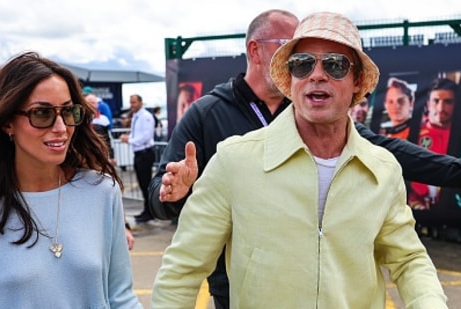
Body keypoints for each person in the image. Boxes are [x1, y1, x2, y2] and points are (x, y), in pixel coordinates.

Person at [148, 9, 461, 309]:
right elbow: (182, 271)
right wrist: (171, 193)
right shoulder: (232, 159)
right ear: (290, 76)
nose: (317, 75)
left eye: (336, 65)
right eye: (302, 64)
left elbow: (409, 261)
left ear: (357, 82)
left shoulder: (382, 169)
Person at [0, 51, 142, 308]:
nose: (61, 127)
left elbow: (121, 298)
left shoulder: (103, 191)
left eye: (68, 111)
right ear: (7, 122)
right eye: (42, 113)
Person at [85, 92, 135, 249]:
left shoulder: (103, 120)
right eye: (90, 103)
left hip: (100, 161)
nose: (93, 106)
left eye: (94, 103)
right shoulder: (76, 122)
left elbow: (107, 140)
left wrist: (124, 226)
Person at [409, 77, 458, 209]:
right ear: (428, 104)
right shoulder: (411, 134)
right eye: (436, 101)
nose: (441, 107)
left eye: (448, 102)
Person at [120, 94, 156, 223]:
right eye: (130, 102)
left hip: (145, 153)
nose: (132, 105)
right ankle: (147, 210)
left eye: (134, 102)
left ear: (140, 102)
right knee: (142, 184)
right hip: (139, 153)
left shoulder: (146, 116)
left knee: (146, 184)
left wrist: (129, 140)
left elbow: (145, 137)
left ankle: (150, 211)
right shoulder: (136, 116)